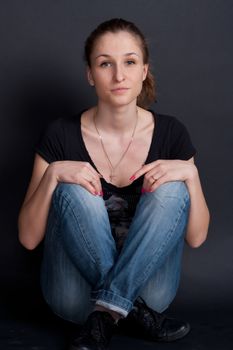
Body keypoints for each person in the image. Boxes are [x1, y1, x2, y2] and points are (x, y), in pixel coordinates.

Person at [18, 18, 210, 350]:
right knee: (69, 184)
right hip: (74, 296)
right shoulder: (60, 134)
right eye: (105, 63)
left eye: (130, 62)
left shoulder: (171, 133)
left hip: (151, 293)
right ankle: (127, 309)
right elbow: (29, 239)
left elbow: (196, 237)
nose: (119, 76)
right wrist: (52, 177)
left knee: (175, 186)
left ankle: (106, 313)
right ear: (90, 74)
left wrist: (191, 177)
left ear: (144, 70)